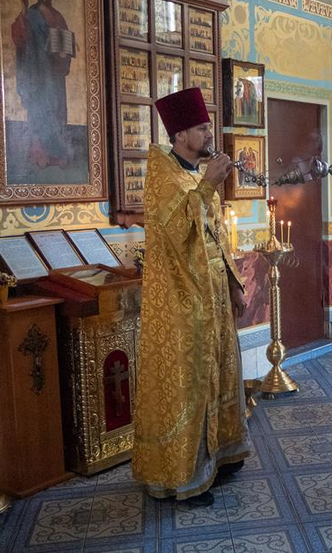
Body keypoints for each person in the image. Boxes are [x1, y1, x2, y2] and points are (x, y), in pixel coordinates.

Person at [132, 88, 251, 506]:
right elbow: (177, 234)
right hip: (182, 303)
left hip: (213, 296)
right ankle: (180, 476)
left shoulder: (192, 175)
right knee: (189, 384)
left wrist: (234, 285)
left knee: (221, 372)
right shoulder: (163, 176)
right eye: (202, 128)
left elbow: (215, 236)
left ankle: (220, 455)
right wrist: (206, 188)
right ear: (180, 133)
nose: (208, 134)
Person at [11, 0, 75, 169]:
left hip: (54, 73)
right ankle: (40, 155)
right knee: (40, 110)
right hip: (37, 70)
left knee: (55, 110)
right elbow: (20, 37)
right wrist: (23, 9)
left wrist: (66, 50)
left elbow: (65, 42)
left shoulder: (58, 16)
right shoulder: (31, 14)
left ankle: (57, 154)